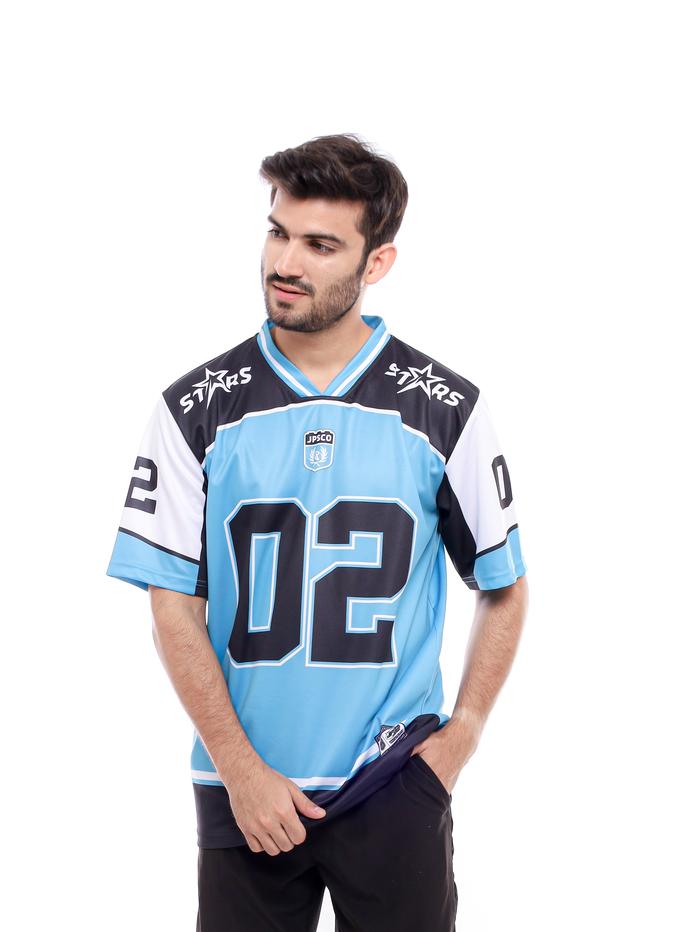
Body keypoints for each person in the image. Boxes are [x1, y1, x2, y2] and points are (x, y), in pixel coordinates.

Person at [106, 132, 529, 931]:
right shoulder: (196, 407)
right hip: (244, 791)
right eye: (278, 232)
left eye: (320, 245)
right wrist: (239, 768)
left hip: (394, 781)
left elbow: (504, 585)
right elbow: (171, 604)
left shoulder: (447, 409)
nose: (285, 262)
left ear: (377, 263)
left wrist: (462, 736)